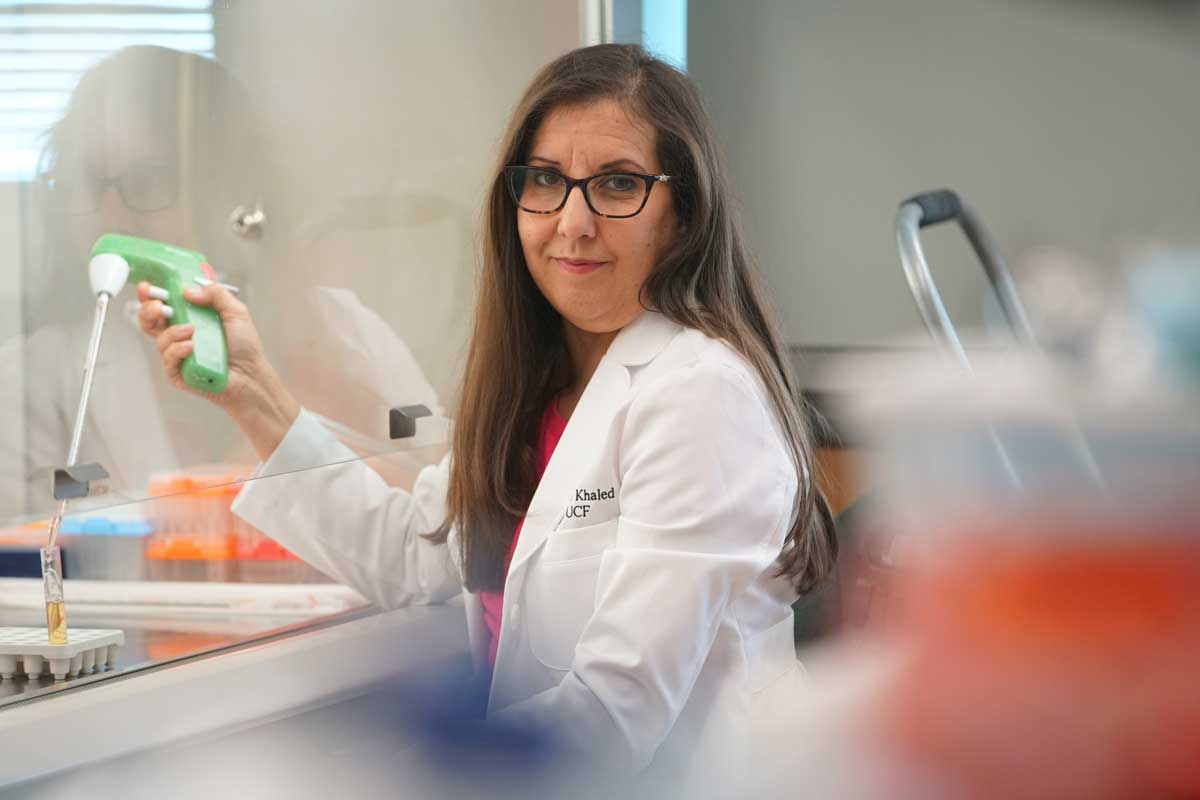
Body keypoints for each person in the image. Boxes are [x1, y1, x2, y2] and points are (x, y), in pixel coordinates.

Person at [136, 44, 835, 784]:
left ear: (684, 212)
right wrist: (253, 392)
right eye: (546, 182)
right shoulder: (538, 384)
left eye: (619, 185)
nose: (573, 221)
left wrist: (411, 776)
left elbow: (617, 707)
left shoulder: (701, 393)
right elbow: (415, 555)